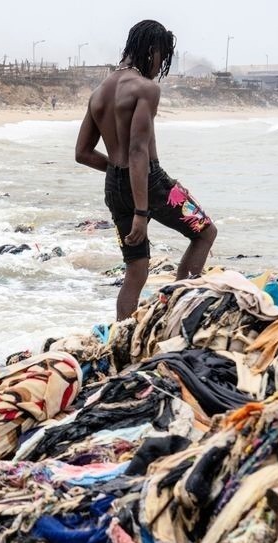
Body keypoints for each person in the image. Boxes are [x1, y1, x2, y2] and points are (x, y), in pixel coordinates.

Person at [75, 20, 217, 321]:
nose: (161, 66)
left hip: (115, 186)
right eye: (162, 57)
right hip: (152, 183)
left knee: (136, 270)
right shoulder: (145, 89)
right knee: (205, 232)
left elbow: (83, 154)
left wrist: (119, 174)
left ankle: (121, 340)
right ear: (151, 50)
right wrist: (141, 211)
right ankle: (178, 315)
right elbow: (138, 151)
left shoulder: (99, 93)